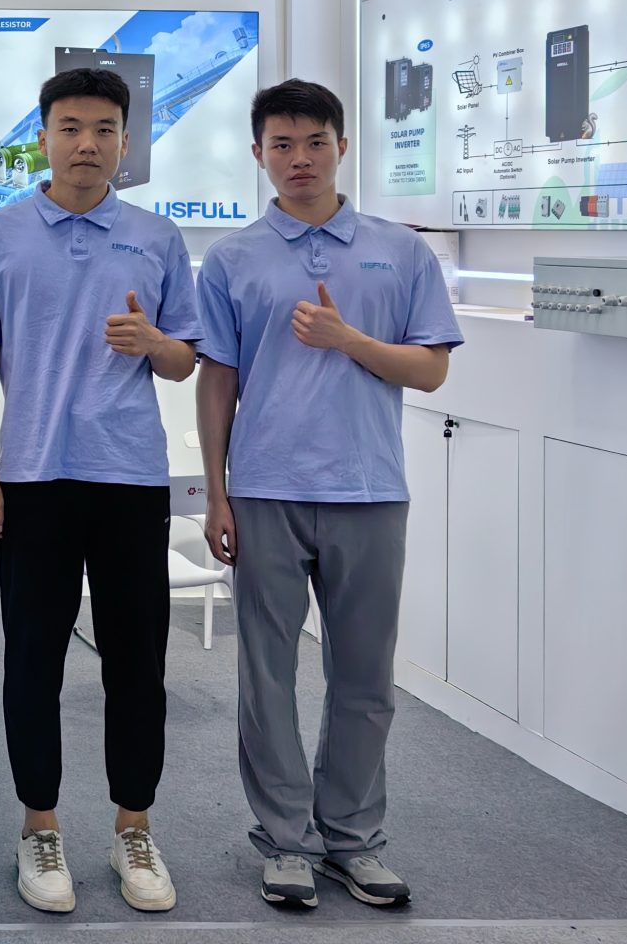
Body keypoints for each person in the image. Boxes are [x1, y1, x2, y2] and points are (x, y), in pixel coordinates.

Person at [0, 67, 200, 917]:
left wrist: (153, 341)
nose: (88, 144)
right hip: (33, 478)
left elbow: (185, 361)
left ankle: (134, 828)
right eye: (71, 128)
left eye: (105, 129)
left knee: (137, 665)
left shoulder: (157, 238)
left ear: (126, 141)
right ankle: (39, 827)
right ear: (42, 138)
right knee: (33, 663)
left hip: (129, 477)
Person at [194, 80, 460, 912]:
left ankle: (353, 838)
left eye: (314, 142)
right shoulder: (233, 258)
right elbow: (218, 380)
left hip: (369, 489)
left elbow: (430, 368)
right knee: (266, 677)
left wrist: (348, 339)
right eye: (282, 144)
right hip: (265, 490)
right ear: (258, 154)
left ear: (343, 146)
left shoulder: (400, 251)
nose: (299, 159)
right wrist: (216, 492)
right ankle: (284, 841)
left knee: (365, 678)